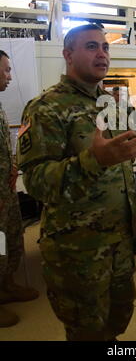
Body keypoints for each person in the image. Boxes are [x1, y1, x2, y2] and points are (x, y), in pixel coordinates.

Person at [17, 24, 136, 341]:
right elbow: (35, 181)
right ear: (67, 55)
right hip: (78, 254)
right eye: (91, 46)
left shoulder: (112, 104)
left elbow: (123, 169)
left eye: (105, 47)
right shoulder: (45, 108)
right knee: (87, 331)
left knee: (117, 320)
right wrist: (94, 161)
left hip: (119, 243)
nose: (102, 53)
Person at [0, 50, 39, 328]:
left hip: (6, 190)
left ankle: (6, 285)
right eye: (5, 70)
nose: (10, 76)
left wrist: (13, 168)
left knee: (12, 240)